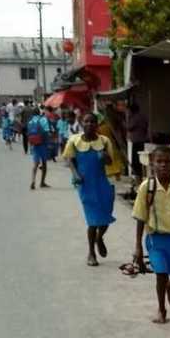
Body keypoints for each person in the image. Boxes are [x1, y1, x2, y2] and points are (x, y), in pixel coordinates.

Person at [129, 146, 170, 323]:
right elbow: (140, 216)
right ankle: (161, 309)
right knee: (160, 272)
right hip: (154, 238)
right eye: (159, 161)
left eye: (167, 161)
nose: (163, 165)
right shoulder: (147, 187)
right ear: (152, 164)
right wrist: (137, 246)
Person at [63, 110, 116, 265]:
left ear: (97, 124)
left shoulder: (104, 141)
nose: (89, 124)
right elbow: (68, 159)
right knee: (92, 220)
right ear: (82, 123)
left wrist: (105, 156)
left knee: (105, 217)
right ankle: (91, 253)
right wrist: (75, 173)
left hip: (102, 183)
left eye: (93, 121)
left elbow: (110, 162)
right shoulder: (74, 140)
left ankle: (100, 238)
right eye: (86, 121)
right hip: (85, 184)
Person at [27, 107, 52, 191]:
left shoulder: (30, 121)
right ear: (39, 113)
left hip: (34, 145)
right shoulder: (44, 120)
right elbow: (47, 132)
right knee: (44, 163)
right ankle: (42, 182)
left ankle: (33, 180)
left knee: (35, 164)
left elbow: (29, 134)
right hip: (43, 144)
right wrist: (49, 143)